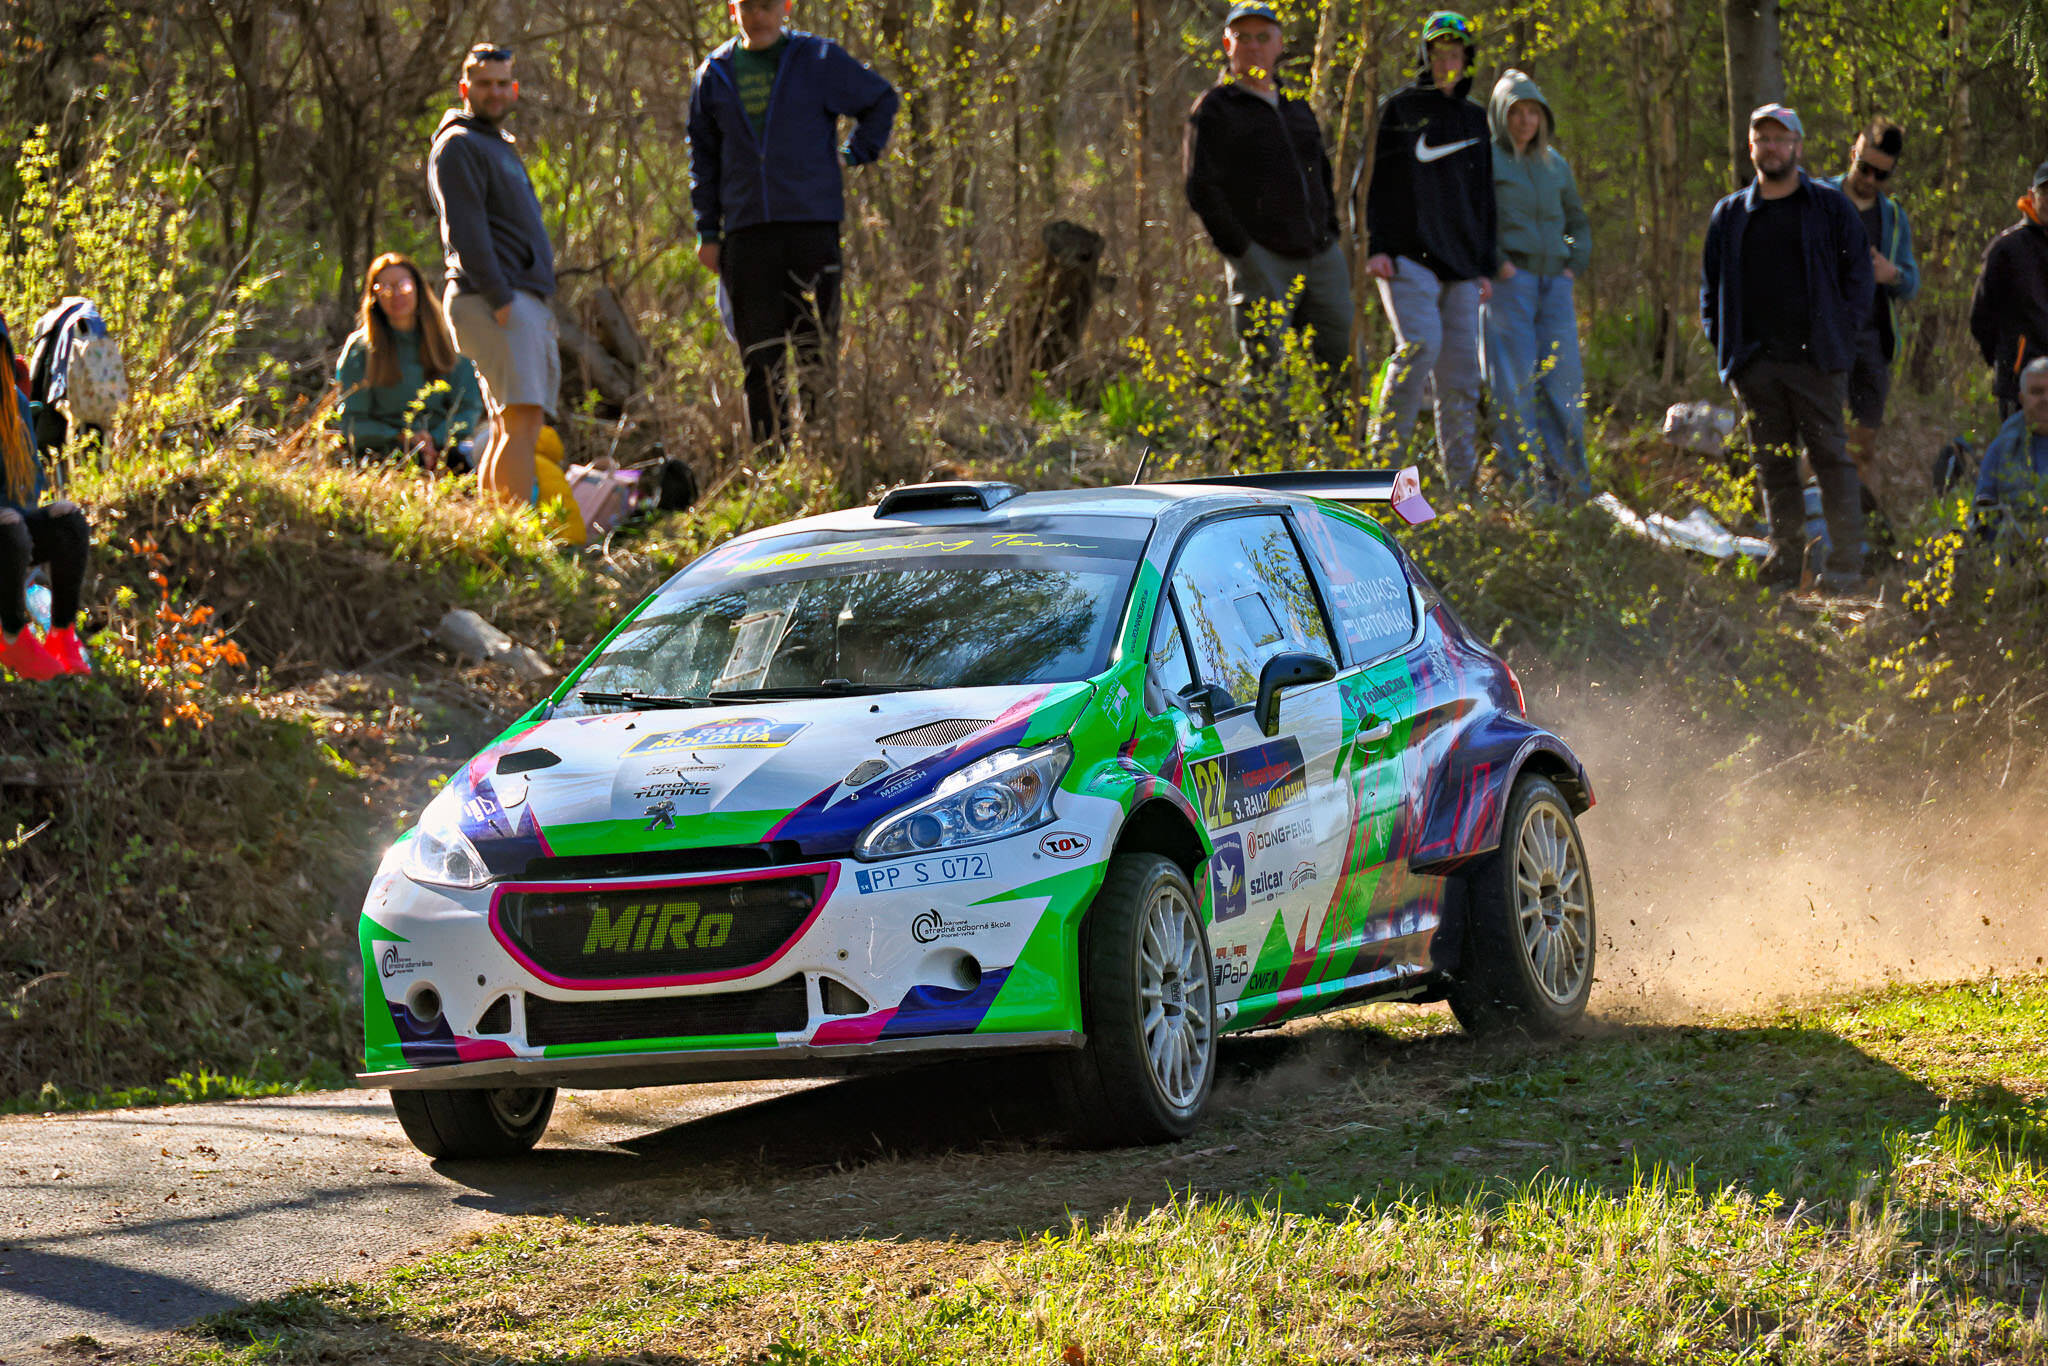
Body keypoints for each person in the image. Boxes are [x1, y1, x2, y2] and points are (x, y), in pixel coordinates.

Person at [688, 0, 898, 448]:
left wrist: (852, 154)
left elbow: (881, 98)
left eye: (768, 5)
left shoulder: (817, 59)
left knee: (815, 345)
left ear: (785, 7)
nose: (758, 15)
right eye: (748, 5)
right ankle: (772, 457)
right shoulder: (714, 74)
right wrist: (707, 232)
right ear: (733, 10)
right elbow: (703, 160)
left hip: (811, 227)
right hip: (746, 234)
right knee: (760, 354)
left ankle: (823, 448)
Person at [1700, 103, 1873, 593]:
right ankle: (1785, 560)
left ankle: (1845, 566)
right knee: (1773, 464)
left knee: (1831, 460)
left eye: (1781, 139)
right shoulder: (1730, 215)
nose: (1772, 147)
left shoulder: (1829, 208)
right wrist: (1730, 354)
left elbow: (1859, 277)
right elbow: (1710, 289)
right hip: (1755, 364)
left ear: (1797, 146)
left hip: (1817, 362)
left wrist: (1841, 336)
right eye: (1763, 139)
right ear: (1751, 147)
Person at [1183, 2, 1351, 385]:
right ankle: (1265, 428)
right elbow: (1201, 188)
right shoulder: (1214, 109)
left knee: (1342, 366)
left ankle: (1341, 428)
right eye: (1243, 38)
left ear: (1279, 44)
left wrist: (1330, 231)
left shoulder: (1297, 108)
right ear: (1228, 44)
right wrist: (1243, 251)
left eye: (1263, 37)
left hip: (1321, 256)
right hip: (1263, 261)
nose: (1254, 46)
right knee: (1267, 375)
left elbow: (1321, 174)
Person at [1362, 10, 1496, 492]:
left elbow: (1484, 197)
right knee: (1419, 349)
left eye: (1455, 53)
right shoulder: (1400, 109)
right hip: (1407, 258)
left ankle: (1461, 487)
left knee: (1462, 376)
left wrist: (1484, 265)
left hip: (1461, 267)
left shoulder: (1476, 118)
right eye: (1437, 53)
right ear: (1425, 56)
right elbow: (1374, 182)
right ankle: (1380, 473)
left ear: (1467, 59)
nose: (1446, 62)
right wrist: (1377, 245)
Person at [428, 42, 558, 504]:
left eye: (503, 84)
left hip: (513, 298)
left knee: (509, 423)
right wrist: (500, 298)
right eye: (484, 84)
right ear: (465, 88)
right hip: (493, 298)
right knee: (523, 421)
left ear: (514, 89)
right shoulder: (458, 145)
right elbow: (465, 231)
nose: (495, 92)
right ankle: (513, 528)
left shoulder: (496, 143)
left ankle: (493, 525)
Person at [1478, 68, 1590, 502]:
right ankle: (1526, 492)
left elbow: (1577, 221)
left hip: (1555, 287)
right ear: (1500, 115)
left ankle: (1573, 492)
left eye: (1532, 112)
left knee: (1564, 386)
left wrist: (1572, 265)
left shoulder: (1554, 163)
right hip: (1511, 285)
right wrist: (1498, 264)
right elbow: (1474, 218)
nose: (1525, 120)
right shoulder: (1486, 159)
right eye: (1515, 111)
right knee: (1514, 388)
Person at [1820, 120, 1918, 549]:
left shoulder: (1893, 217)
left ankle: (1866, 541)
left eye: (1882, 174)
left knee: (1863, 447)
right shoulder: (1819, 198)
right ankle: (1797, 523)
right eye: (1865, 168)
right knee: (1820, 440)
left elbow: (1911, 283)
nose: (1870, 180)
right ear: (1852, 154)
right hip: (1822, 340)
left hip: (1872, 344)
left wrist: (1890, 274)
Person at [333, 253, 484, 471]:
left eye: (403, 286)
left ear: (418, 289)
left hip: (446, 449)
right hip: (384, 455)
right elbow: (353, 423)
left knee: (491, 442)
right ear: (373, 296)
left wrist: (434, 439)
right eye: (384, 288)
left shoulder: (449, 341)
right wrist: (402, 438)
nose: (395, 295)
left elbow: (468, 409)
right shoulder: (360, 349)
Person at [0, 314, 90, 680]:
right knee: (9, 527)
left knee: (68, 521)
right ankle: (11, 636)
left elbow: (30, 485)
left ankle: (61, 635)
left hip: (8, 533)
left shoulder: (14, 405)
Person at [1969, 162, 2048, 421]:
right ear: (2032, 195)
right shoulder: (2007, 249)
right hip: (2020, 386)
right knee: (2018, 447)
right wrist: (2007, 361)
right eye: (2046, 192)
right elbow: (1981, 318)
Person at [1973, 356, 2048, 535]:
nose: (2046, 399)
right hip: (2013, 546)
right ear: (2022, 398)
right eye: (2037, 392)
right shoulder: (2004, 446)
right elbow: (1983, 513)